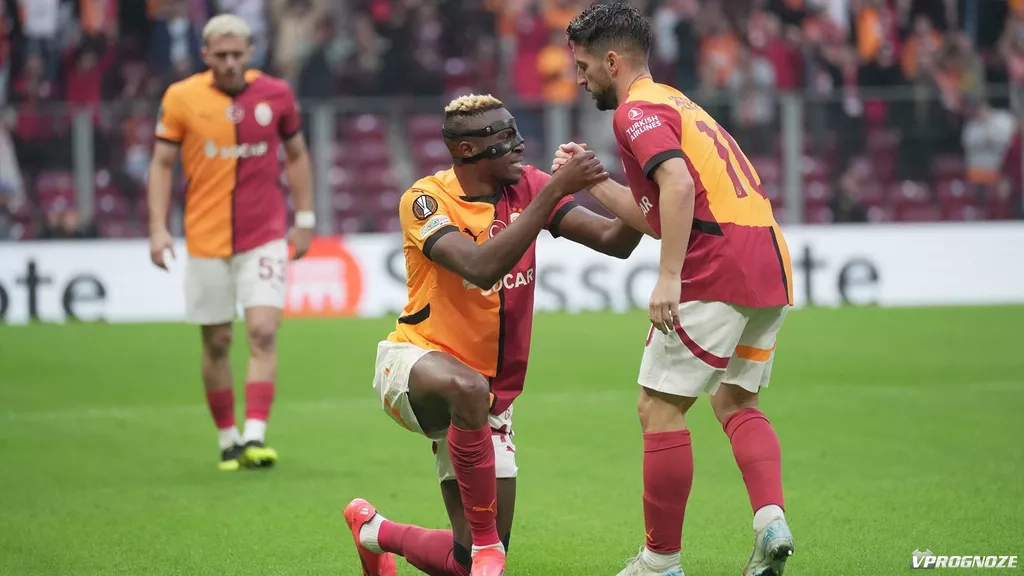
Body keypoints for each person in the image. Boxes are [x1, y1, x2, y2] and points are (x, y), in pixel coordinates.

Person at [341, 93, 644, 576]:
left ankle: (375, 532)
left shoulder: (529, 187)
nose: (520, 145)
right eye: (505, 137)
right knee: (467, 390)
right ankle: (487, 545)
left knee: (465, 566)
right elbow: (481, 268)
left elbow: (616, 241)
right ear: (467, 150)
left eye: (516, 132)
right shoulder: (425, 200)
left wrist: (632, 181)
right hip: (413, 364)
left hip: (489, 399)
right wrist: (554, 191)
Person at [555, 3, 795, 576]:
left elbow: (679, 186)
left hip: (716, 265)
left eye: (584, 66)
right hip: (769, 260)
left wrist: (668, 277)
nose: (580, 79)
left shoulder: (634, 112)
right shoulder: (675, 102)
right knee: (736, 399)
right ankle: (771, 523)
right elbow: (660, 211)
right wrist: (593, 181)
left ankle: (660, 562)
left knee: (658, 408)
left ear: (613, 62)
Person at [147, 14, 315, 472]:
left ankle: (255, 436)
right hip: (205, 237)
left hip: (264, 235)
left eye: (237, 54)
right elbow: (161, 164)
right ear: (205, 55)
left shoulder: (277, 94)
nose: (229, 63)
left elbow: (297, 155)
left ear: (250, 52)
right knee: (217, 340)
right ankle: (228, 440)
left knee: (262, 330)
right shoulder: (181, 97)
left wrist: (305, 219)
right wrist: (158, 227)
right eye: (220, 55)